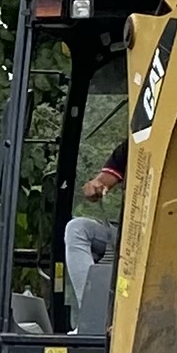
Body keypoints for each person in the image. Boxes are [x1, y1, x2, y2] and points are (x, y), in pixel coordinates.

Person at [63, 138, 127, 335]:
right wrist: (94, 186)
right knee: (78, 229)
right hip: (132, 235)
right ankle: (91, 319)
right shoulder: (133, 146)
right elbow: (103, 182)